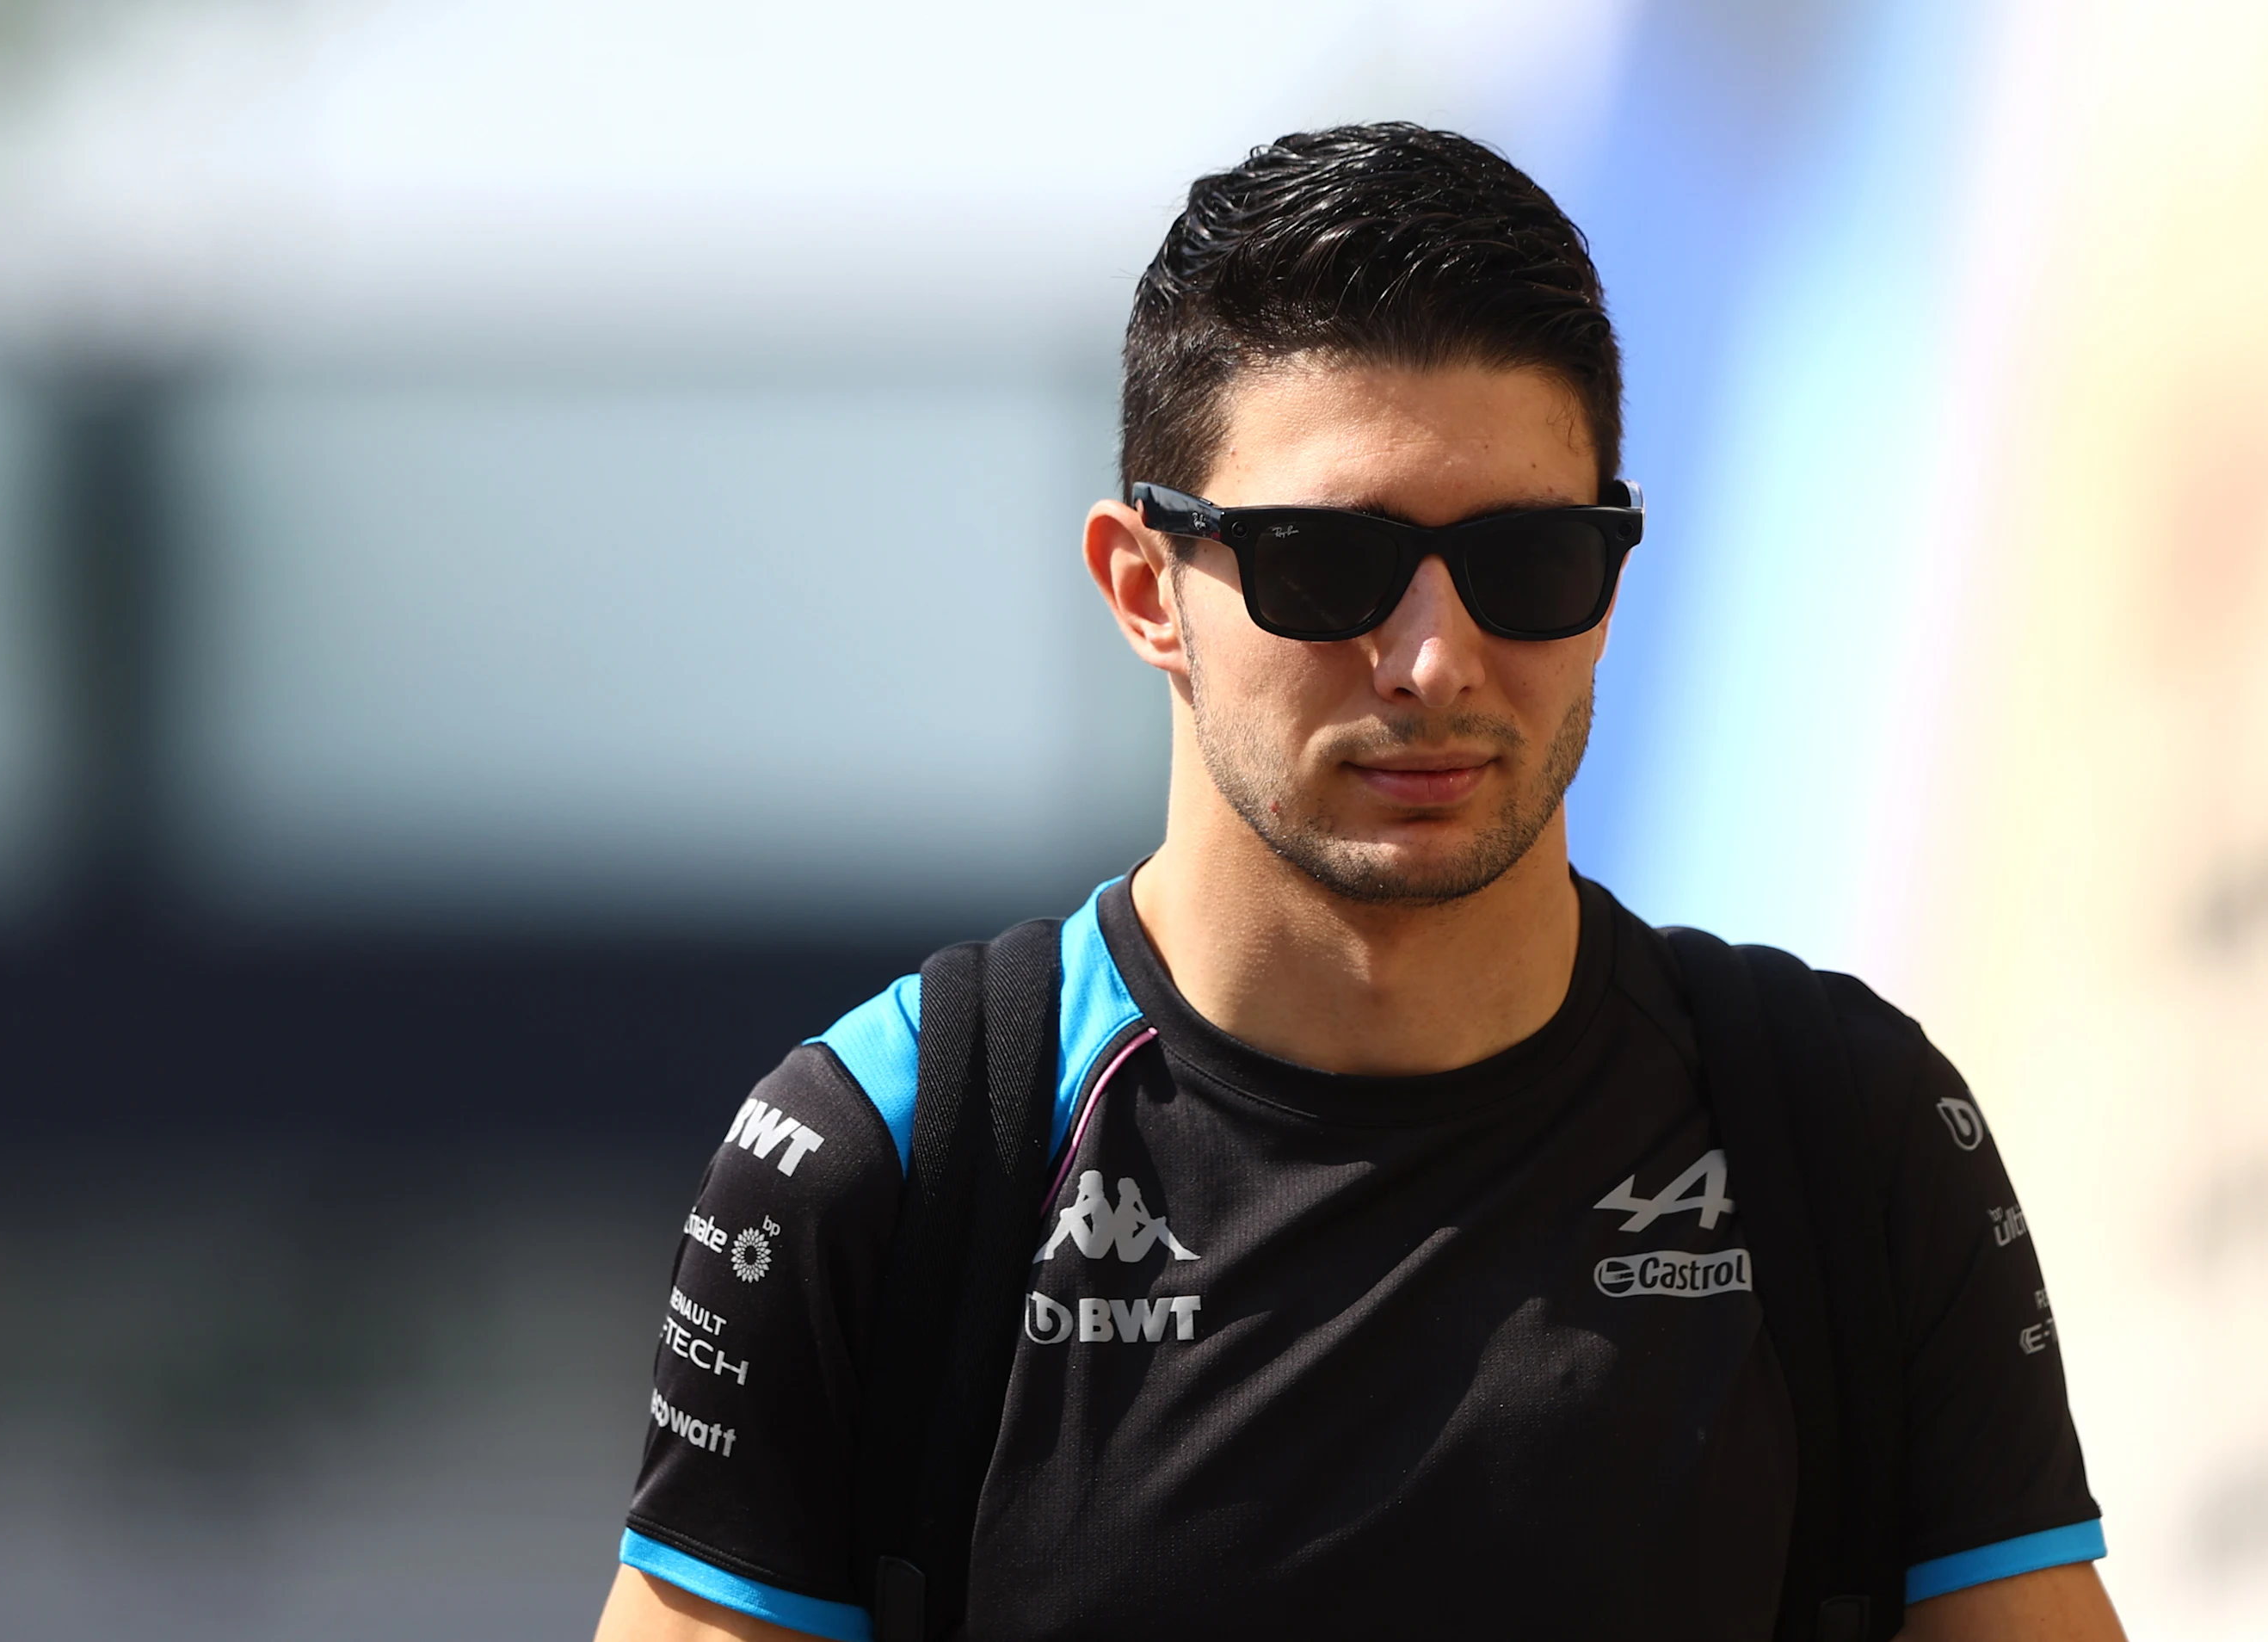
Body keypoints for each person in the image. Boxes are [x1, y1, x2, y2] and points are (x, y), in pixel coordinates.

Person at [595, 123, 2123, 1642]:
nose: (1436, 660)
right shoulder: (891, 1154)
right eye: (1329, 564)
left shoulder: (1844, 1132)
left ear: (1610, 585)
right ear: (1146, 591)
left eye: (1529, 561)